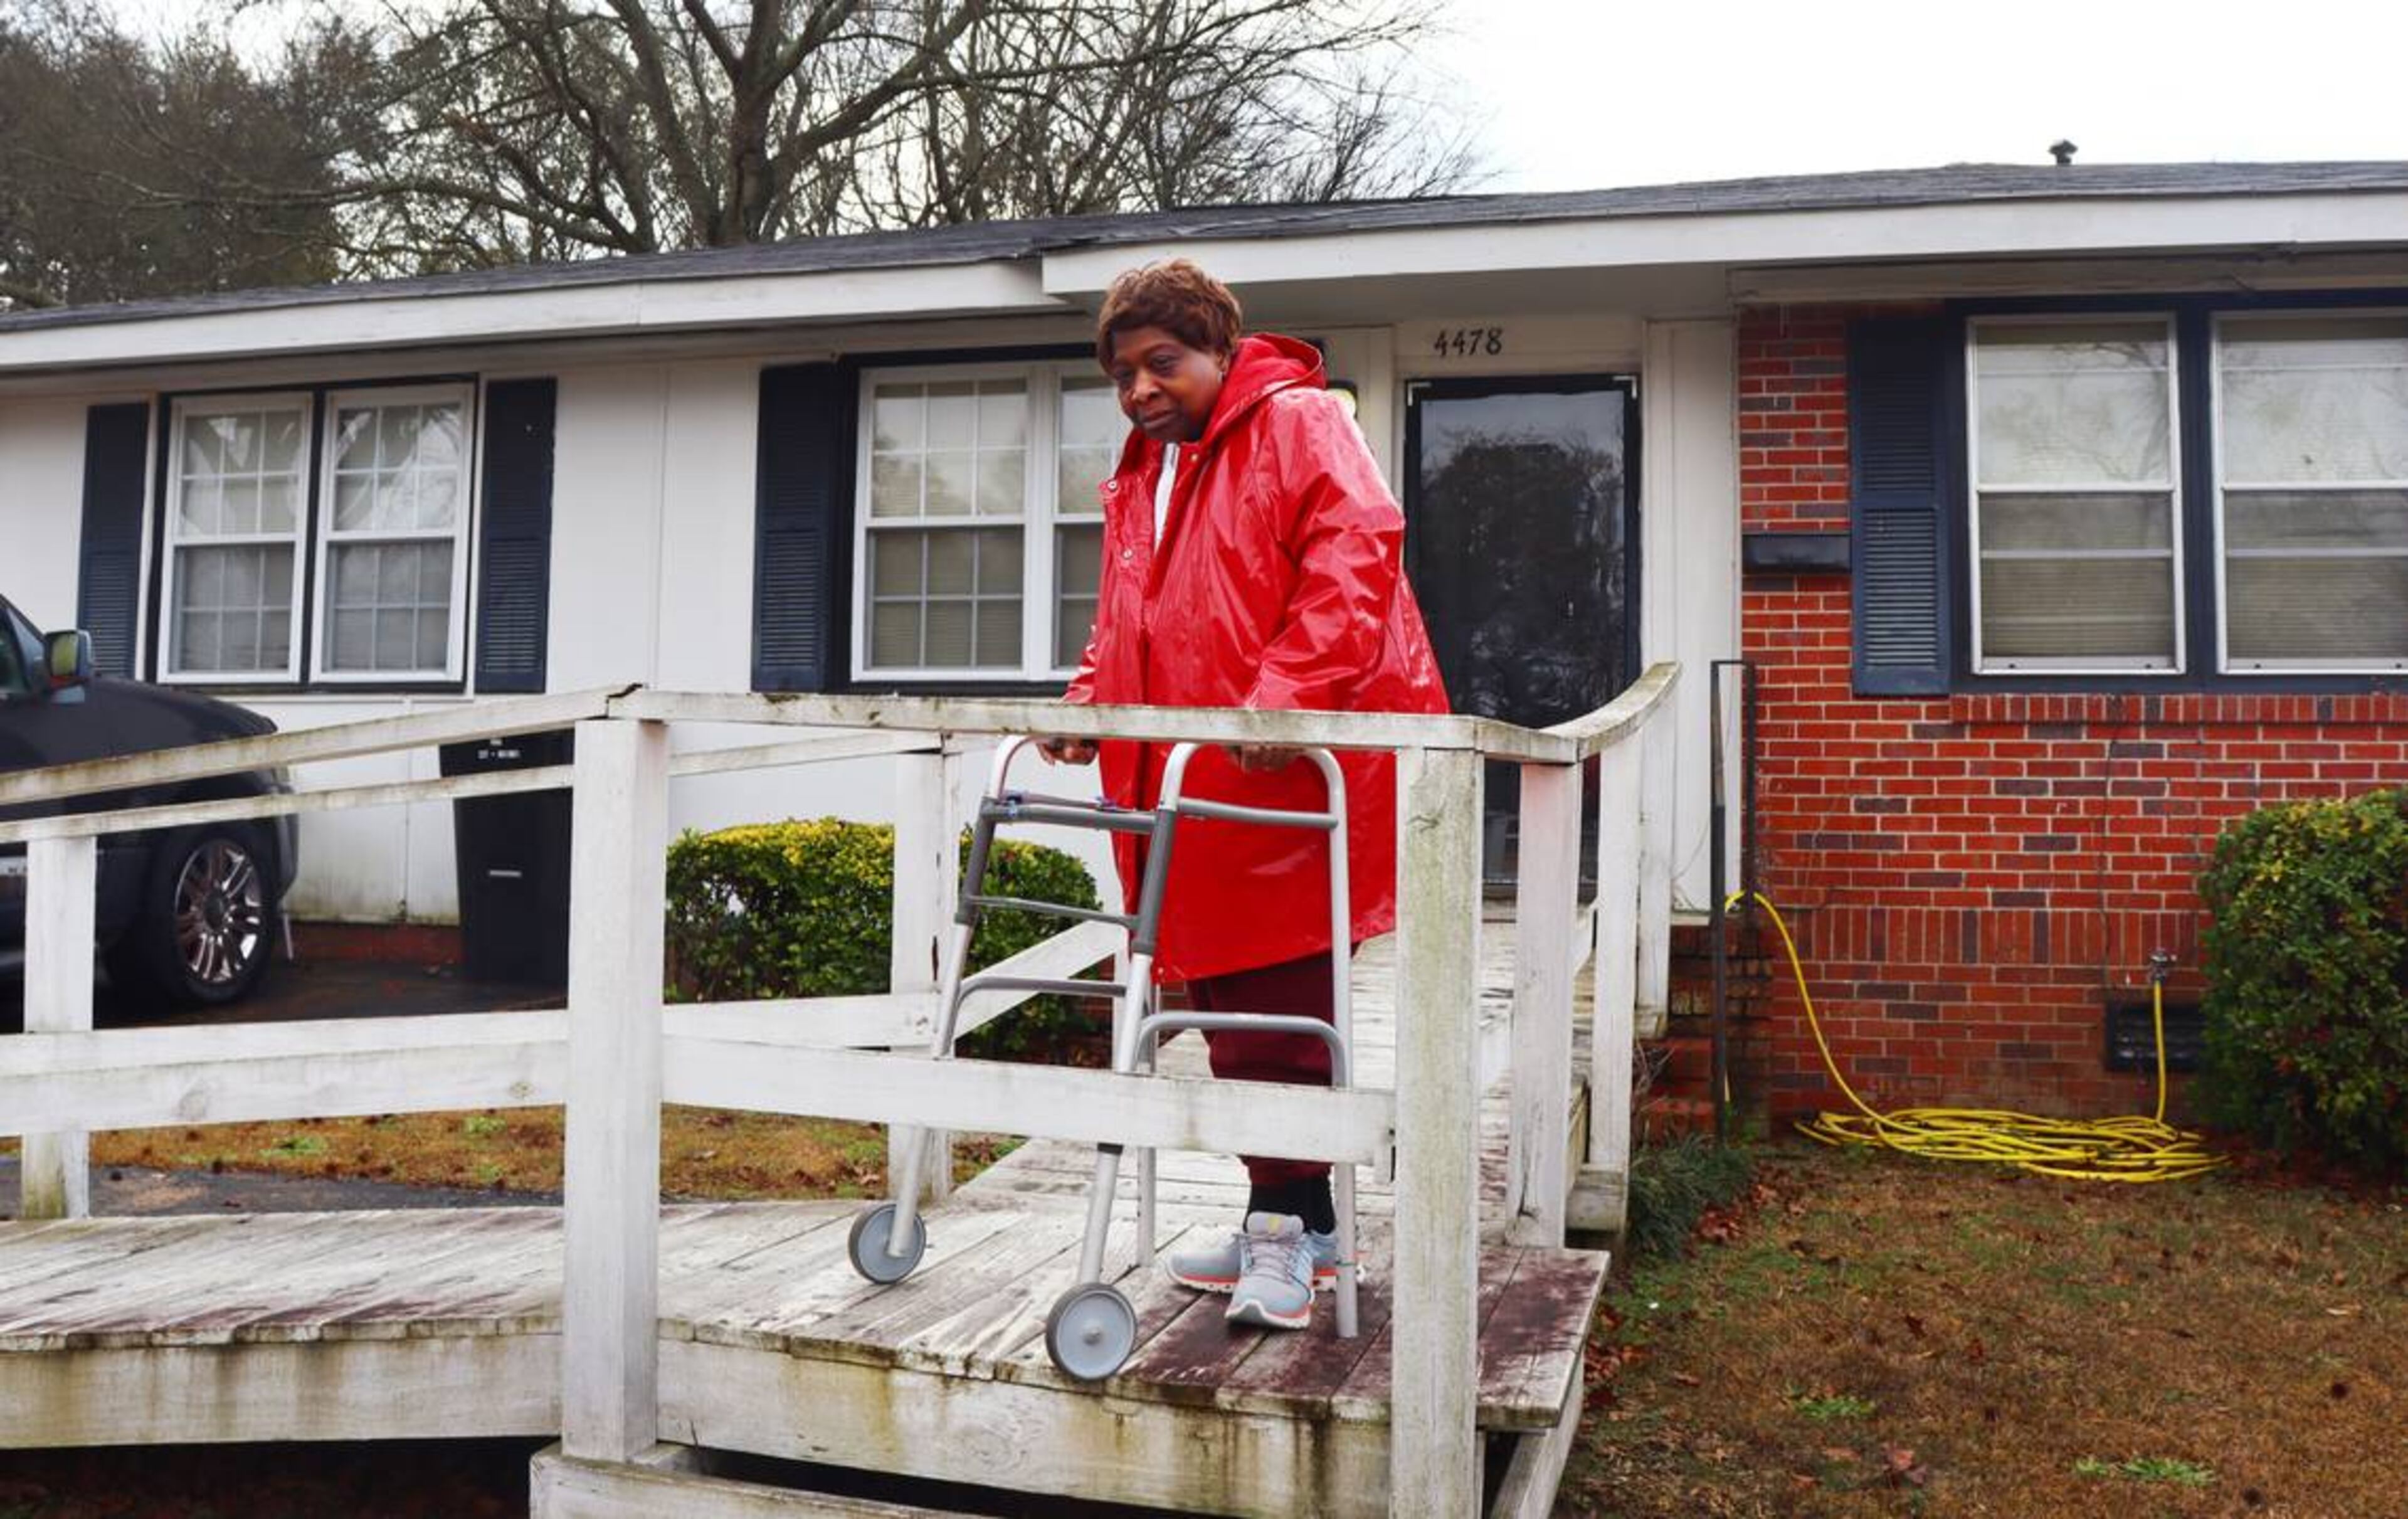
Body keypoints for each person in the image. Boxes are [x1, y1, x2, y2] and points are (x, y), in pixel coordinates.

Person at [1043, 260, 1448, 1332]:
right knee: (1226, 1015)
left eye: (1161, 362)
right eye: (1123, 372)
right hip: (1193, 779)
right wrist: (1087, 701)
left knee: (1279, 1010)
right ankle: (1295, 1220)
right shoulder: (1144, 471)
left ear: (1221, 349)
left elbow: (1356, 551)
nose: (1139, 389)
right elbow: (1128, 614)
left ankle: (1287, 1229)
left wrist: (1283, 701)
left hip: (1282, 773)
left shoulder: (1300, 421)